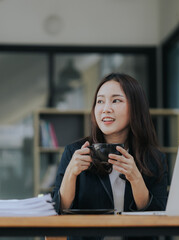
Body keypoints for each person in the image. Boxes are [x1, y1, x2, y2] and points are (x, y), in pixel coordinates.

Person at [52, 73, 168, 239]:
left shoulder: (154, 159)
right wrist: (71, 173)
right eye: (100, 101)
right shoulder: (75, 152)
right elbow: (58, 212)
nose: (106, 108)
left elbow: (157, 218)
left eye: (116, 100)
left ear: (135, 107)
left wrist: (136, 179)